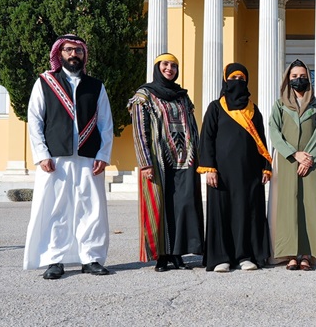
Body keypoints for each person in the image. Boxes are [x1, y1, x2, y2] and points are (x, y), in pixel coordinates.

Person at [23, 34, 114, 279]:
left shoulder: (96, 86)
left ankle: (91, 258)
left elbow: (106, 123)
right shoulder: (45, 82)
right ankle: (55, 259)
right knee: (56, 208)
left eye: (78, 50)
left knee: (91, 208)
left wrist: (103, 154)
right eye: (69, 50)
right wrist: (41, 154)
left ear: (84, 55)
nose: (74, 54)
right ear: (59, 53)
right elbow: (35, 119)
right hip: (55, 158)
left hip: (89, 157)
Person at [128, 53, 204, 272]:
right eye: (165, 64)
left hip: (185, 159)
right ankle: (161, 255)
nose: (169, 68)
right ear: (157, 67)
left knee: (182, 205)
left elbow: (192, 127)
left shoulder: (182, 96)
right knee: (160, 205)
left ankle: (177, 253)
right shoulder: (144, 96)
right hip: (158, 160)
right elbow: (140, 131)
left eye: (174, 66)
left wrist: (199, 158)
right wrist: (145, 162)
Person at [198, 63, 272, 272]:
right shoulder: (216, 107)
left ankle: (245, 256)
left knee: (246, 213)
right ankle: (221, 257)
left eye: (241, 79)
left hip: (249, 173)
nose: (237, 82)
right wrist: (209, 168)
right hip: (221, 174)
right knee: (221, 213)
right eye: (233, 78)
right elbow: (207, 139)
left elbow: (261, 140)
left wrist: (266, 167)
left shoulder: (253, 109)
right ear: (225, 80)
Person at [268, 59, 316, 270]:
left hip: (311, 163)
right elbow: (274, 132)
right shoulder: (280, 105)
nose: (298, 79)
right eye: (294, 76)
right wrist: (294, 154)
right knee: (287, 206)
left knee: (309, 206)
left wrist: (309, 157)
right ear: (288, 79)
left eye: (302, 76)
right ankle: (290, 253)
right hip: (287, 161)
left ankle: (307, 254)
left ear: (309, 78)